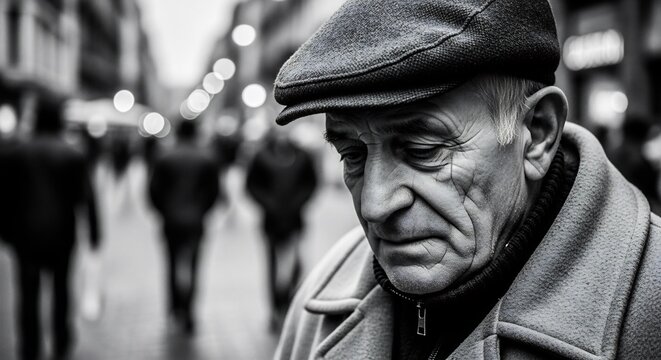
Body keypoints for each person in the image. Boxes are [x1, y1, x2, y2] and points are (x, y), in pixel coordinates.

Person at [271, 0, 661, 359]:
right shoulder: (321, 298)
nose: (374, 205)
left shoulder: (650, 303)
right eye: (352, 155)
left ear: (537, 134)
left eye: (423, 150)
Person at [6, 107, 100, 360]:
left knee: (27, 293)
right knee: (61, 289)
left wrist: (6, 233)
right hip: (61, 233)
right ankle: (61, 339)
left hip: (25, 234)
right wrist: (94, 232)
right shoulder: (72, 154)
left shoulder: (15, 154)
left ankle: (29, 346)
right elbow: (87, 198)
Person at [148, 120, 220, 335]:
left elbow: (153, 192)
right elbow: (214, 192)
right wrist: (201, 210)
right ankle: (189, 310)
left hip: (171, 220)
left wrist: (165, 211)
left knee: (171, 264)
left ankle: (174, 307)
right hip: (196, 220)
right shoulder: (207, 158)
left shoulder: (164, 158)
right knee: (194, 265)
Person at [245, 128, 318, 331]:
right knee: (273, 265)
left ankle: (288, 301)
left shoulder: (301, 156)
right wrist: (268, 204)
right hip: (271, 221)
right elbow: (251, 185)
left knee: (294, 264)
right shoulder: (262, 156)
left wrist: (298, 202)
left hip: (294, 219)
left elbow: (311, 183)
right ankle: (276, 308)